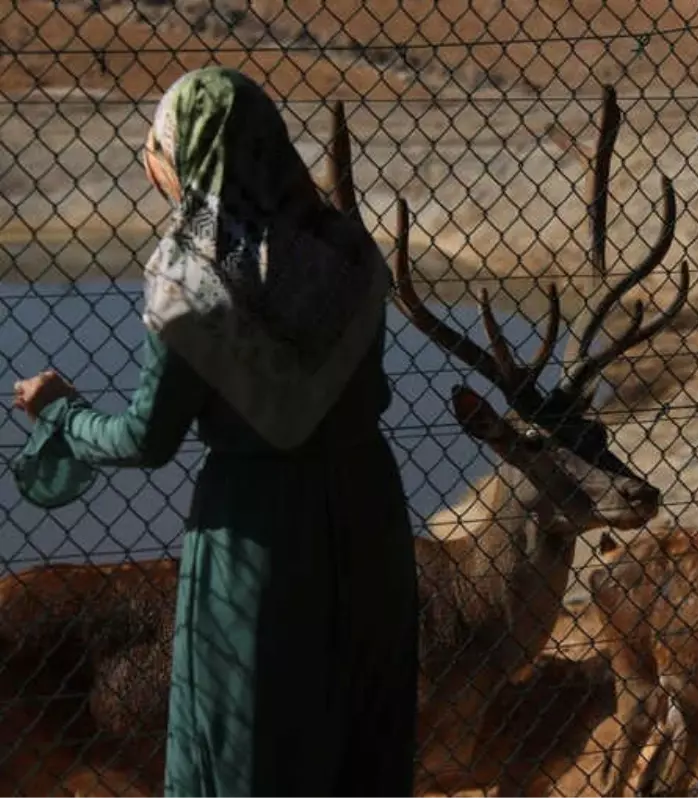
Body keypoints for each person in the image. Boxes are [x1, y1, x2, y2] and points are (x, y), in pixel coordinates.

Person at [11, 67, 418, 796]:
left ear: (192, 157)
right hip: (367, 512)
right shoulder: (351, 251)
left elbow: (147, 437)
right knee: (364, 723)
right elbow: (373, 390)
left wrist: (63, 414)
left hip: (257, 540)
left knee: (246, 740)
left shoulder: (190, 276)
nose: (151, 166)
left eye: (158, 149)